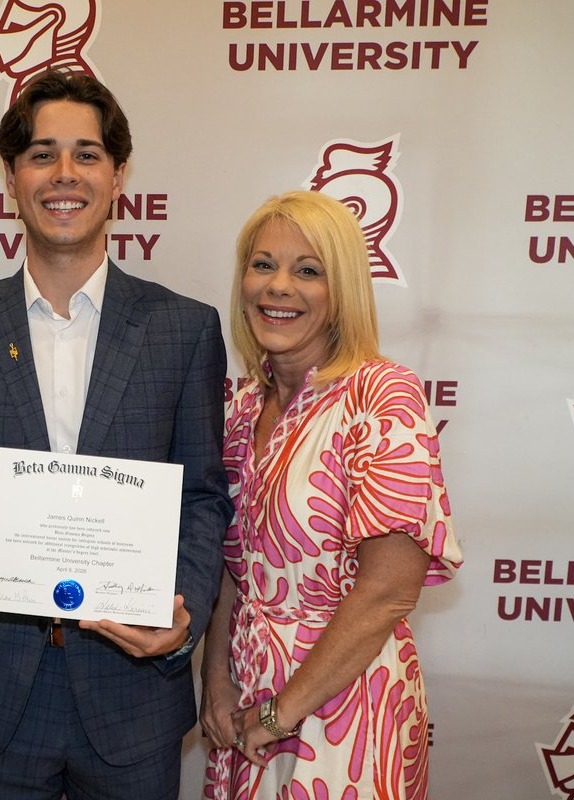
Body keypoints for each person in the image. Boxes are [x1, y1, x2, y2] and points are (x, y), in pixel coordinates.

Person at [0, 70, 233, 799]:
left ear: (118, 176)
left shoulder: (184, 330)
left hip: (132, 692)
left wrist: (183, 612)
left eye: (87, 154)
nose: (64, 174)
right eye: (42, 153)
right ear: (13, 176)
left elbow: (204, 497)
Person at [199, 190, 463, 799]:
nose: (278, 287)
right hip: (248, 702)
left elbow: (387, 592)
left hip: (348, 708)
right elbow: (231, 571)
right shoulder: (238, 406)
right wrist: (216, 681)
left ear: (342, 289)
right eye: (262, 264)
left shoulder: (382, 395)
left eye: (308, 270)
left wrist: (280, 713)